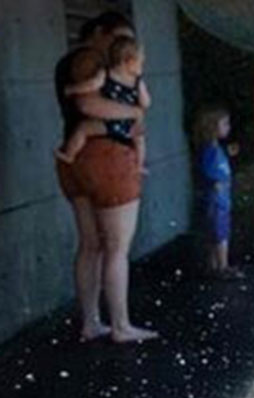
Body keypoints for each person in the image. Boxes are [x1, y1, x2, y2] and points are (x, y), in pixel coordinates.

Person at [53, 12, 157, 343]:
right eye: (118, 39)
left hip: (78, 160)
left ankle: (91, 321)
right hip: (107, 157)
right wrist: (134, 112)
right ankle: (121, 325)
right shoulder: (90, 60)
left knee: (91, 244)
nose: (121, 48)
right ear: (99, 33)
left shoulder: (70, 62)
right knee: (116, 247)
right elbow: (88, 103)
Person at [56, 35, 150, 172]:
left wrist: (72, 89)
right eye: (141, 62)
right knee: (140, 140)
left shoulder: (105, 74)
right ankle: (139, 165)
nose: (142, 66)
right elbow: (146, 102)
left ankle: (69, 154)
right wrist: (139, 106)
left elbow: (91, 85)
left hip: (109, 124)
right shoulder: (137, 82)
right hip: (128, 126)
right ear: (128, 61)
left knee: (83, 129)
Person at [191, 105, 242, 280]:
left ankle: (214, 265)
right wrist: (217, 182)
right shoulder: (210, 151)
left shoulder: (215, 149)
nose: (228, 127)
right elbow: (208, 171)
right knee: (220, 233)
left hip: (221, 198)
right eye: (224, 124)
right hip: (217, 198)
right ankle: (222, 266)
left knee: (216, 232)